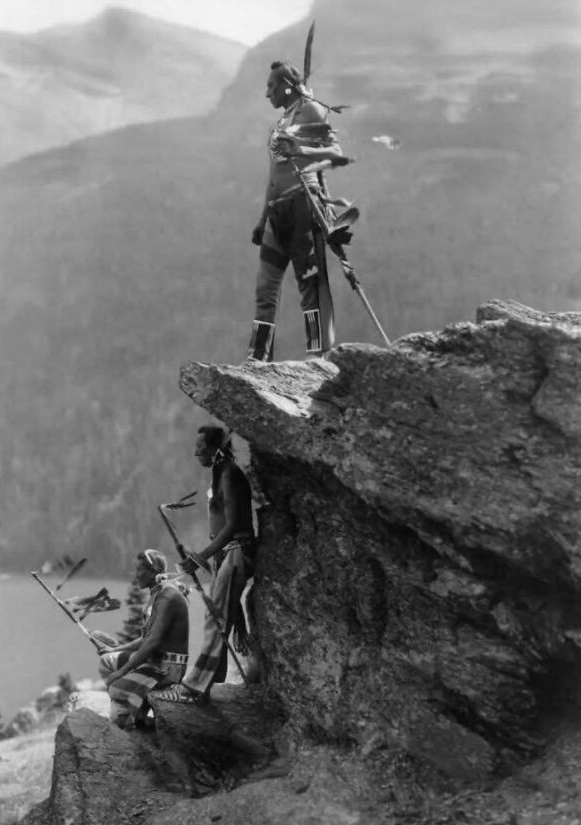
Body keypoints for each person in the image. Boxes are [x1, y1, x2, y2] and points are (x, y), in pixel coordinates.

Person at [246, 59, 345, 361]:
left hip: (304, 205)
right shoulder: (282, 121)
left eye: (271, 86)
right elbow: (274, 173)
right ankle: (258, 356)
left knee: (310, 287)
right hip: (277, 213)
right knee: (265, 287)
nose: (267, 94)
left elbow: (335, 153)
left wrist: (300, 150)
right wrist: (263, 218)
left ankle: (317, 355)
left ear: (288, 85)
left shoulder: (310, 110)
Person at [159, 425, 256, 703]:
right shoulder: (221, 472)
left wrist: (199, 558)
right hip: (226, 553)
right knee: (217, 616)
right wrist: (205, 557)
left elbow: (234, 524)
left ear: (215, 448)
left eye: (200, 447)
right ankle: (211, 683)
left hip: (237, 552)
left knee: (216, 617)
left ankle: (196, 685)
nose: (195, 452)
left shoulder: (230, 474)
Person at [92, 549, 189, 728]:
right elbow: (146, 638)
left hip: (167, 669)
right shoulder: (158, 593)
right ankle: (134, 715)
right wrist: (114, 650)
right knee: (107, 661)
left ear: (153, 571)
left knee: (115, 688)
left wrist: (122, 672)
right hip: (156, 662)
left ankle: (128, 719)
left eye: (139, 570)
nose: (135, 574)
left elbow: (153, 641)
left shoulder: (167, 596)